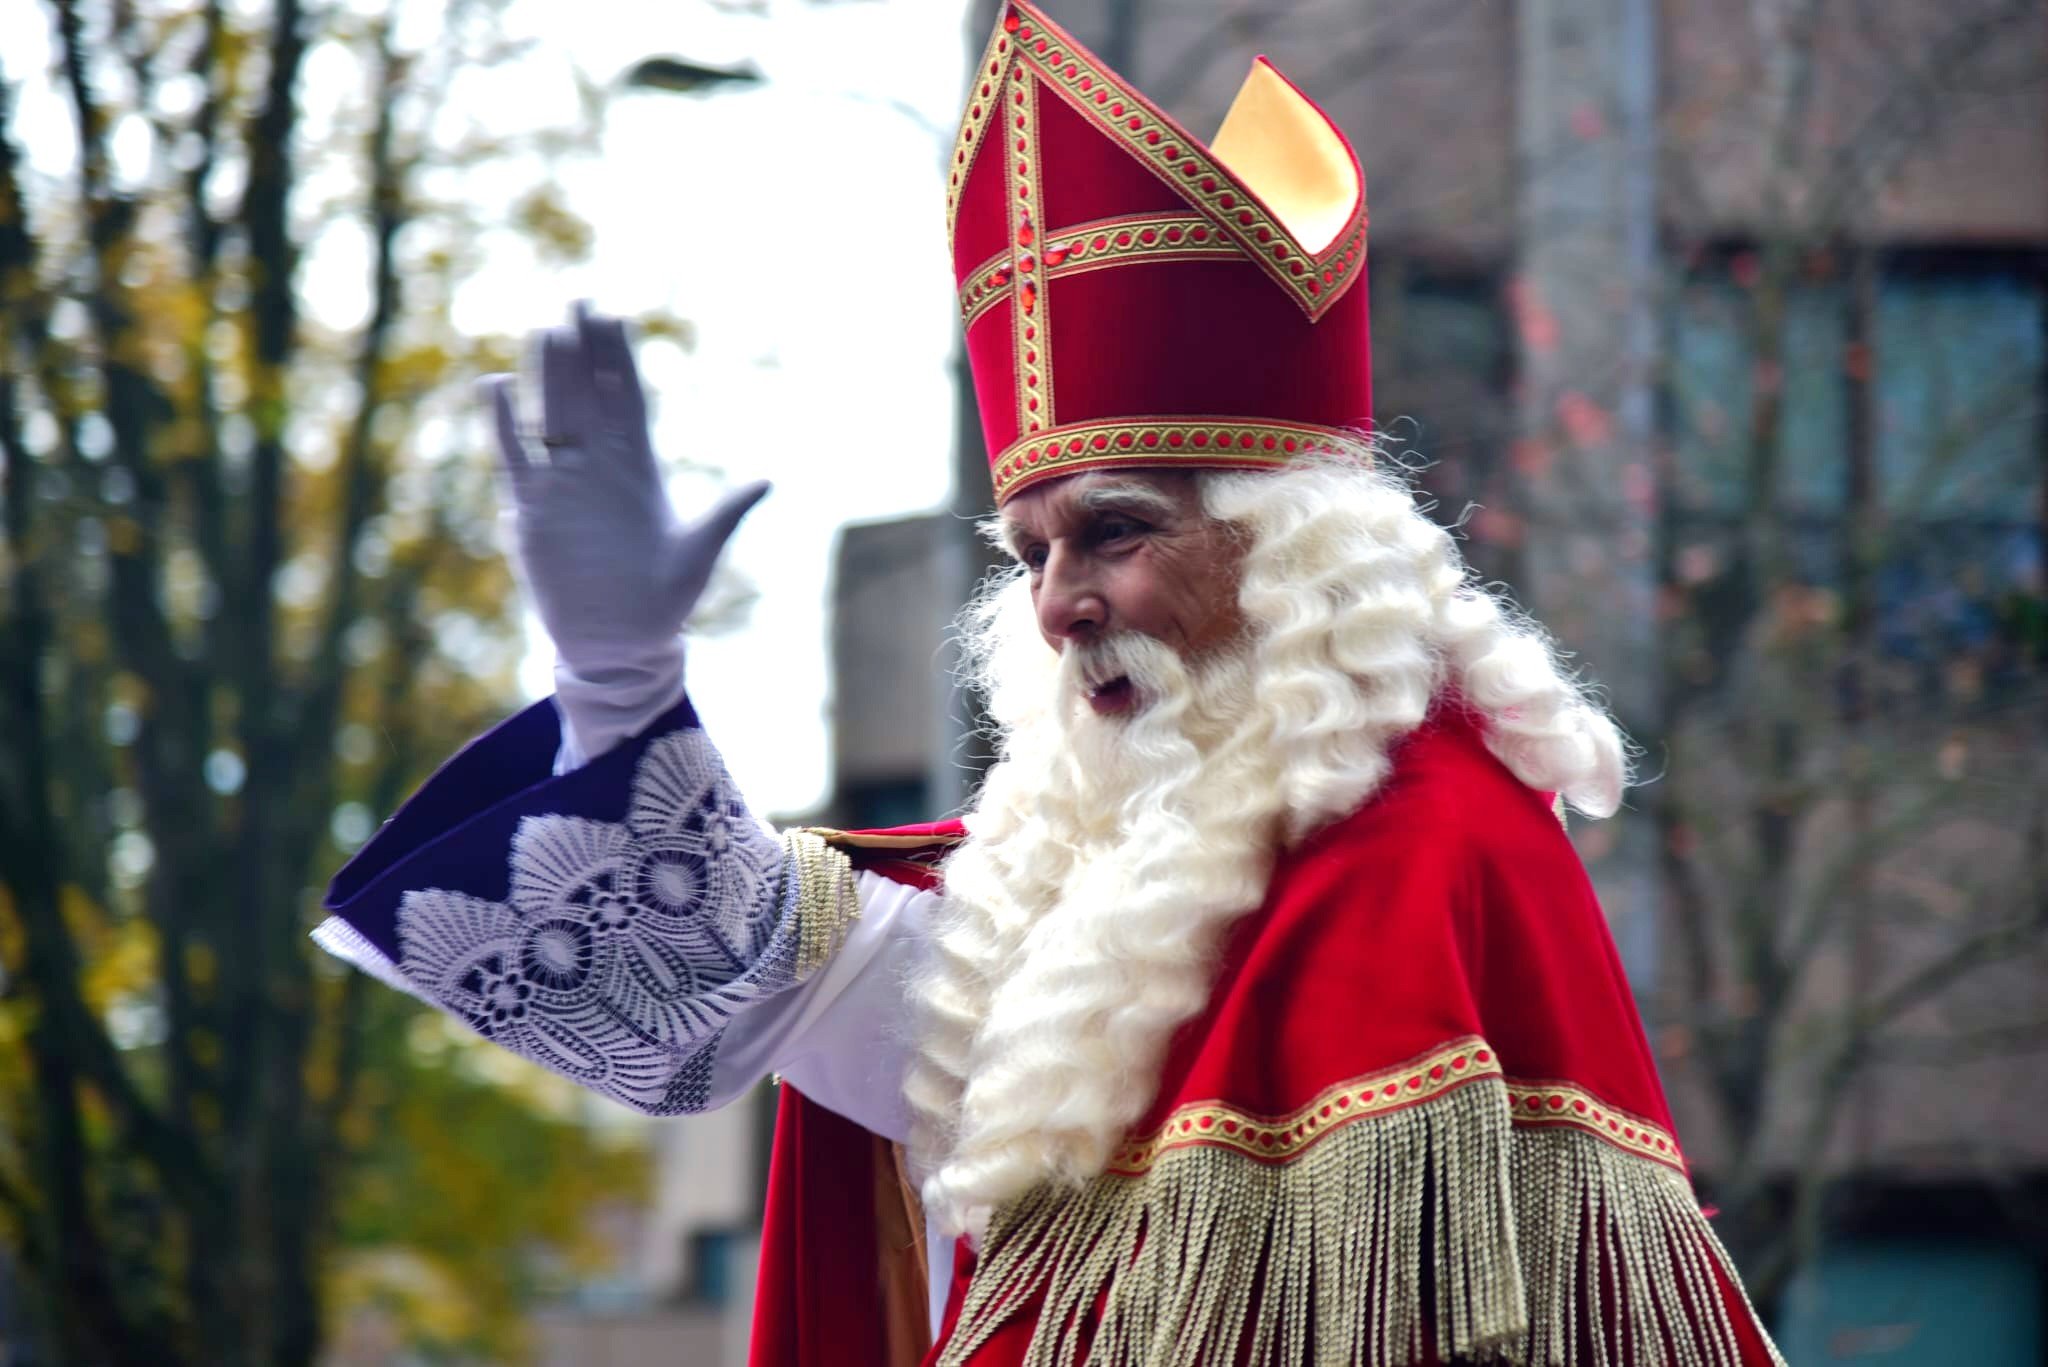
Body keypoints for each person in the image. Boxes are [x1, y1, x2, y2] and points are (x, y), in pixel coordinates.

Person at [315, 4, 1786, 1364]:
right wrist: (620, 685)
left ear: (1293, 551)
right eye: (1030, 553)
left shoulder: (1429, 846)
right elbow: (752, 984)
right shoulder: (1080, 871)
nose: (1063, 604)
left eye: (1118, 532)